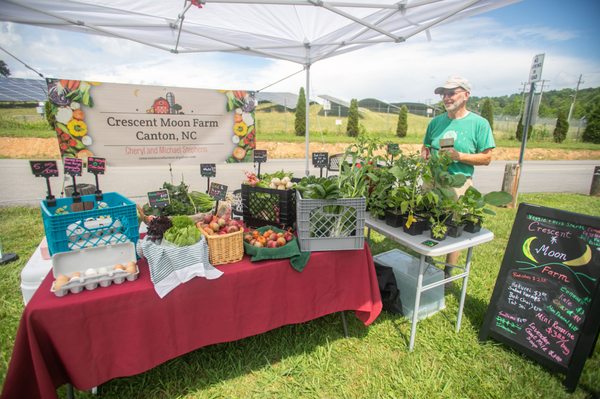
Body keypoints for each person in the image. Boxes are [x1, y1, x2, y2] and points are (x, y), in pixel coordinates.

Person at [421, 76, 495, 281]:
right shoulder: (436, 122)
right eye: (444, 94)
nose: (446, 97)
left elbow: (487, 157)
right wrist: (425, 155)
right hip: (432, 181)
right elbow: (426, 146)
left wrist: (460, 156)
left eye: (451, 93)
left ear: (466, 95)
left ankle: (447, 275)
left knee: (453, 227)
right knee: (428, 221)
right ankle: (427, 263)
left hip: (458, 184)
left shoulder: (479, 124)